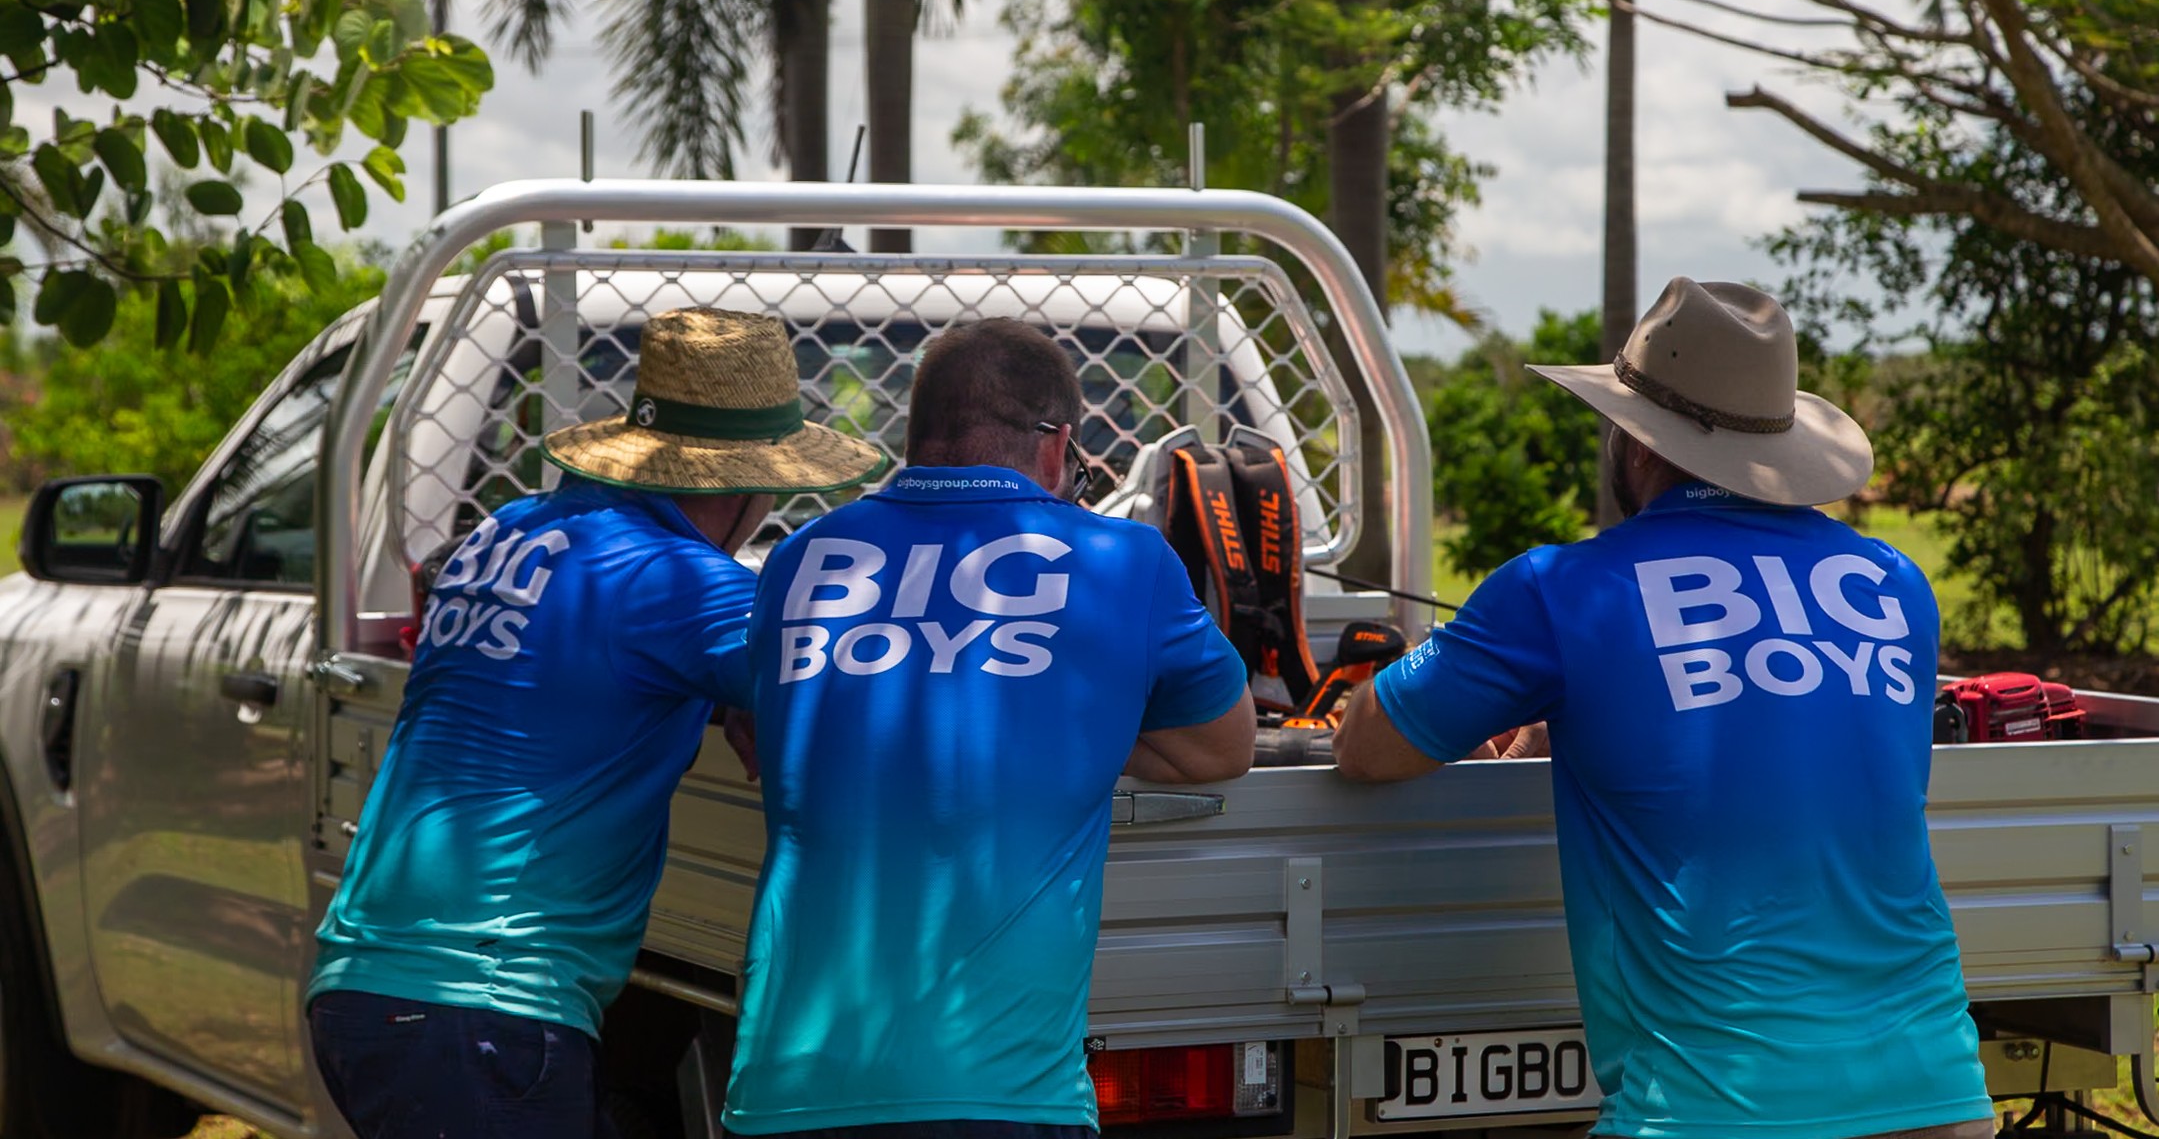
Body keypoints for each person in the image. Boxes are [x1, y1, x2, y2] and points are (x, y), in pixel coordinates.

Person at [1333, 278, 1993, 1139]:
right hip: (1937, 1092)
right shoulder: (1895, 586)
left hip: (1708, 1107)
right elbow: (1769, 712)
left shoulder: (1559, 590)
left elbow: (1368, 749)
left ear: (1637, 446)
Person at [307, 308, 888, 1139]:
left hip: (374, 983)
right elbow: (866, 696)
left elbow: (563, 672)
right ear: (748, 482)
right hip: (485, 1004)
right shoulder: (676, 582)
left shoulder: (507, 531)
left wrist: (724, 694)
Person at [719, 317, 1258, 1136]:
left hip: (786, 1088)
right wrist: (1083, 710)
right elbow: (1224, 747)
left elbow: (775, 725)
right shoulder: (1125, 561)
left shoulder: (798, 561)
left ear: (915, 437)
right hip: (1002, 1096)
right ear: (1057, 446)